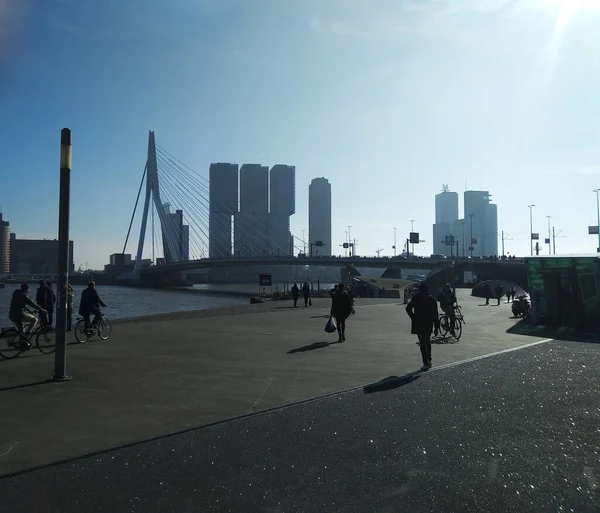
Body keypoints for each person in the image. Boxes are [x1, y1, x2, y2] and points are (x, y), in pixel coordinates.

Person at [406, 284, 440, 371]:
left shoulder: (416, 298)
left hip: (418, 323)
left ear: (420, 290)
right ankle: (429, 359)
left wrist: (413, 317)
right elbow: (435, 314)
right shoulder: (432, 299)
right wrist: (436, 327)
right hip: (428, 323)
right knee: (427, 341)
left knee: (422, 342)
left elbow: (408, 308)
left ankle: (426, 362)